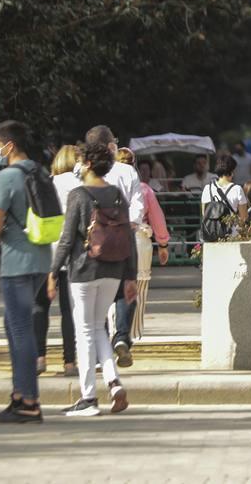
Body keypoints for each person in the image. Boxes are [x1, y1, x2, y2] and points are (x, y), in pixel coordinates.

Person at [49, 140, 137, 417]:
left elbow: (66, 239)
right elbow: (129, 237)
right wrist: (131, 276)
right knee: (98, 327)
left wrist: (53, 272)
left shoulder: (78, 194)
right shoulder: (117, 195)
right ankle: (113, 383)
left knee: (84, 331)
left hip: (83, 270)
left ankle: (88, 398)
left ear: (87, 164)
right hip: (113, 270)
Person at [0, 120, 52, 423]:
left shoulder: (5, 177)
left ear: (9, 145)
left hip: (16, 262)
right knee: (14, 326)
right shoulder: (41, 171)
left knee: (20, 329)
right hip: (40, 258)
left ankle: (28, 399)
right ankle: (20, 394)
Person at [82, 125, 146, 369]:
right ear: (111, 146)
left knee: (98, 295)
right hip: (123, 237)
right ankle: (121, 337)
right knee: (126, 289)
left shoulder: (82, 172)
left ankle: (101, 350)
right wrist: (129, 225)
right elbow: (138, 204)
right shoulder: (127, 171)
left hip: (93, 242)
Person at [36, 144, 81, 377]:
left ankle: (40, 358)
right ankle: (69, 362)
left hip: (45, 252)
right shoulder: (80, 185)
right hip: (71, 253)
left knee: (40, 307)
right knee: (68, 311)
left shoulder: (47, 183)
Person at [131, 169, 170, 343]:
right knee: (139, 289)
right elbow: (157, 218)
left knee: (113, 288)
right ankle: (132, 332)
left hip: (112, 238)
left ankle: (115, 331)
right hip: (140, 239)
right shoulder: (144, 189)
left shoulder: (106, 184)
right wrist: (163, 244)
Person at [202, 154, 250, 238]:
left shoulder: (207, 188)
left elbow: (204, 213)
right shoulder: (237, 189)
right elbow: (243, 218)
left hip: (211, 234)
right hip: (232, 235)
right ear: (231, 171)